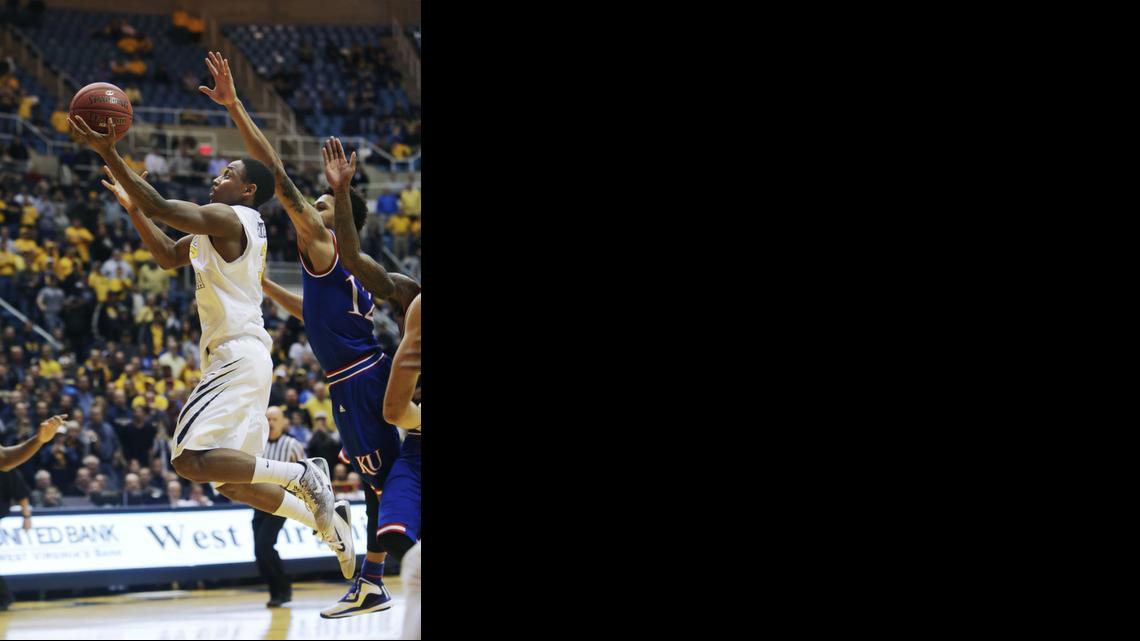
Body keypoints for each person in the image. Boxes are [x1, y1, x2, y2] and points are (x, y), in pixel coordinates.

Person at [69, 110, 353, 576]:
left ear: (248, 191)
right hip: (244, 355)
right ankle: (326, 522)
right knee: (231, 483)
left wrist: (110, 152)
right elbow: (164, 255)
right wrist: (136, 210)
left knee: (189, 460)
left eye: (228, 174)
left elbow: (163, 206)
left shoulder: (230, 216)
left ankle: (303, 475)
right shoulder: (216, 230)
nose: (217, 177)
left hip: (237, 354)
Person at [200, 52, 416, 610]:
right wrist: (264, 289)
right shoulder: (349, 273)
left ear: (333, 219)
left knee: (385, 483)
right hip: (358, 373)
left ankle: (372, 582)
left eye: (318, 206)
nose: (306, 209)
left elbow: (274, 169)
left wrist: (234, 105)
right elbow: (316, 314)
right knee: (382, 483)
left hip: (359, 382)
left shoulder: (324, 245)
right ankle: (371, 579)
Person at [255, 407, 307, 608]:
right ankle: (277, 590)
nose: (271, 422)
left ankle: (283, 590)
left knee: (265, 546)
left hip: (281, 503)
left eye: (275, 418)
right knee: (259, 552)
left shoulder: (292, 445)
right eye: (267, 418)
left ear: (283, 421)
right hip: (257, 502)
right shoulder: (256, 446)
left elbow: (306, 474)